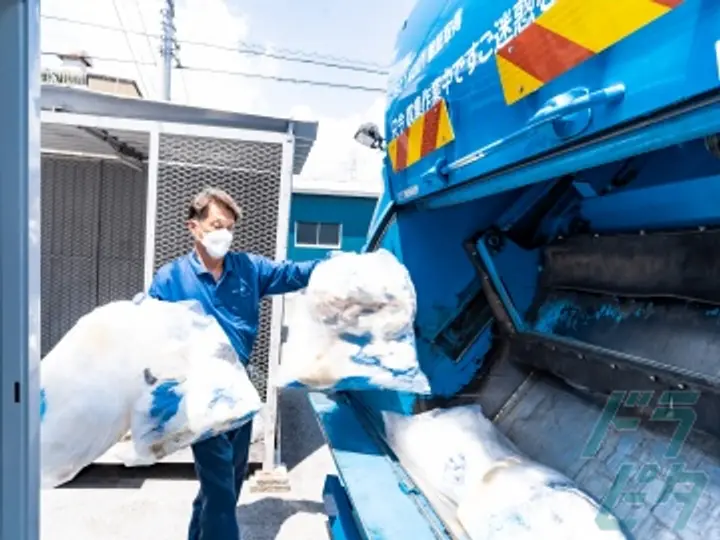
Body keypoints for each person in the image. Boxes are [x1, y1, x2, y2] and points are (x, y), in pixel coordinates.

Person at [147, 187, 320, 540]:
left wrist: (337, 266)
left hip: (239, 392)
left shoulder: (249, 269)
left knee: (227, 481)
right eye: (215, 225)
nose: (222, 234)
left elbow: (295, 273)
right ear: (193, 227)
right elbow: (149, 334)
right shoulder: (170, 279)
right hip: (198, 397)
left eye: (228, 227)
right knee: (220, 488)